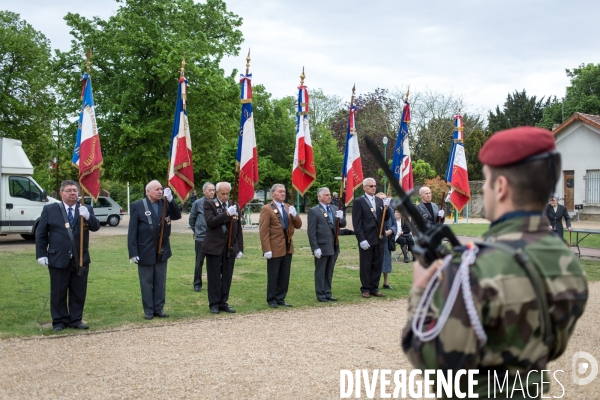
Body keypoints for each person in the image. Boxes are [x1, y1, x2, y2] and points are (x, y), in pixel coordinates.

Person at [402, 126, 588, 396]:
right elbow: (551, 346)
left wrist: (421, 288)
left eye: (487, 180)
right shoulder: (568, 264)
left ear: (500, 187)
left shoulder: (471, 268)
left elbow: (435, 362)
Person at [36, 180, 101, 332]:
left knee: (78, 291)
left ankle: (75, 320)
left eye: (75, 190)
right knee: (58, 291)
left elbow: (96, 227)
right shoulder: (50, 209)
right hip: (58, 258)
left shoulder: (85, 208)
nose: (73, 193)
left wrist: (88, 216)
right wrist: (41, 254)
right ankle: (59, 321)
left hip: (80, 258)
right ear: (61, 193)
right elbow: (41, 234)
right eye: (69, 190)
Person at [128, 180, 182, 320]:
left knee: (160, 281)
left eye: (161, 189)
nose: (160, 191)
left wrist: (170, 199)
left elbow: (177, 215)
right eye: (157, 189)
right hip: (145, 249)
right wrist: (133, 252)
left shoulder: (165, 204)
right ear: (148, 191)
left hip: (162, 249)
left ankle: (159, 308)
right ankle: (149, 310)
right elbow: (132, 231)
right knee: (146, 282)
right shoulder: (138, 206)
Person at [202, 182, 243, 314]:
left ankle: (223, 301)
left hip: (229, 245)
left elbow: (238, 228)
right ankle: (214, 303)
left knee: (227, 276)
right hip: (214, 246)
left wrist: (240, 248)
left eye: (227, 194)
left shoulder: (234, 205)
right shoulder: (209, 204)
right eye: (222, 194)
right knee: (214, 276)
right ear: (217, 193)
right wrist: (226, 214)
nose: (225, 196)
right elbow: (211, 222)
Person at [259, 184, 302, 308]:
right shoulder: (267, 209)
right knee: (273, 274)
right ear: (272, 194)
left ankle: (281, 297)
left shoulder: (288, 207)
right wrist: (266, 249)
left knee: (284, 274)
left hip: (287, 246)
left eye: (284, 191)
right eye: (280, 191)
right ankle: (271, 299)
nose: (283, 193)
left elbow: (298, 225)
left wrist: (295, 215)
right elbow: (264, 231)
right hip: (274, 247)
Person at [352, 178, 392, 298]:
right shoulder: (359, 201)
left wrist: (387, 207)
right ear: (364, 188)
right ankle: (365, 288)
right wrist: (361, 239)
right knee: (366, 264)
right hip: (367, 237)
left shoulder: (380, 201)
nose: (373, 188)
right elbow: (357, 222)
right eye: (370, 186)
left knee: (377, 264)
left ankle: (374, 287)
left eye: (375, 186)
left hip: (379, 237)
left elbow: (385, 218)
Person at [307, 187, 346, 302]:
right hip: (322, 246)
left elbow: (342, 224)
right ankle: (320, 294)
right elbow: (311, 232)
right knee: (320, 271)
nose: (329, 196)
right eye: (326, 195)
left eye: (329, 194)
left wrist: (341, 217)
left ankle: (328, 292)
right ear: (319, 197)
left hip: (334, 245)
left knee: (329, 271)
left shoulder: (334, 208)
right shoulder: (314, 211)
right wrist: (315, 248)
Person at [188, 182, 215, 292]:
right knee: (199, 262)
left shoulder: (217, 203)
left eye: (213, 190)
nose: (212, 192)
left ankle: (213, 283)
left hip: (214, 238)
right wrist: (197, 231)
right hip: (201, 238)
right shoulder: (198, 203)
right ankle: (197, 283)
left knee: (214, 262)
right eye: (210, 190)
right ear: (204, 191)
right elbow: (192, 220)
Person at [376, 192, 396, 289]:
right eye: (381, 199)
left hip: (387, 239)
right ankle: (375, 281)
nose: (383, 200)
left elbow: (394, 224)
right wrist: (383, 232)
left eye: (384, 198)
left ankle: (386, 282)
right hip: (377, 239)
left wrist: (391, 230)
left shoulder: (390, 209)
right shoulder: (375, 210)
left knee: (387, 260)